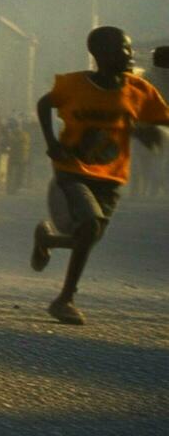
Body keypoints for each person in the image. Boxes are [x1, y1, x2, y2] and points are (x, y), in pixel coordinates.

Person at [30, 27, 169, 325]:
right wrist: (52, 144)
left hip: (111, 178)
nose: (129, 55)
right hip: (73, 171)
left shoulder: (139, 89)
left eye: (129, 49)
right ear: (101, 56)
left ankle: (48, 241)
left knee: (88, 237)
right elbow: (45, 103)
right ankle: (64, 299)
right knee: (89, 225)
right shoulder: (75, 84)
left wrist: (146, 132)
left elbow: (159, 120)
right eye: (123, 49)